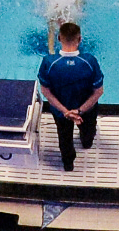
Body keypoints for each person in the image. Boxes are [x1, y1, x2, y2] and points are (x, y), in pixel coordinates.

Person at [38, 20, 103, 170]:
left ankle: (68, 164)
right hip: (86, 111)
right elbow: (98, 91)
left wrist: (65, 112)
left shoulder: (49, 62)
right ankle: (86, 144)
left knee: (64, 138)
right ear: (80, 39)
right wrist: (79, 111)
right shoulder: (89, 61)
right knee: (88, 132)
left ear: (59, 39)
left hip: (61, 113)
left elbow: (46, 91)